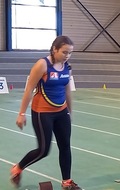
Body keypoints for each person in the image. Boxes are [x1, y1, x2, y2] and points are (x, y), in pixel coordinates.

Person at [11, 36, 81, 190]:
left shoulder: (67, 67)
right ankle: (18, 168)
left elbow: (67, 90)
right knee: (43, 150)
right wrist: (21, 114)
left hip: (61, 112)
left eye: (70, 53)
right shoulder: (42, 65)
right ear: (54, 49)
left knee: (65, 146)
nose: (67, 56)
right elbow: (29, 89)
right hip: (42, 112)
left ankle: (67, 182)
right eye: (64, 52)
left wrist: (70, 111)